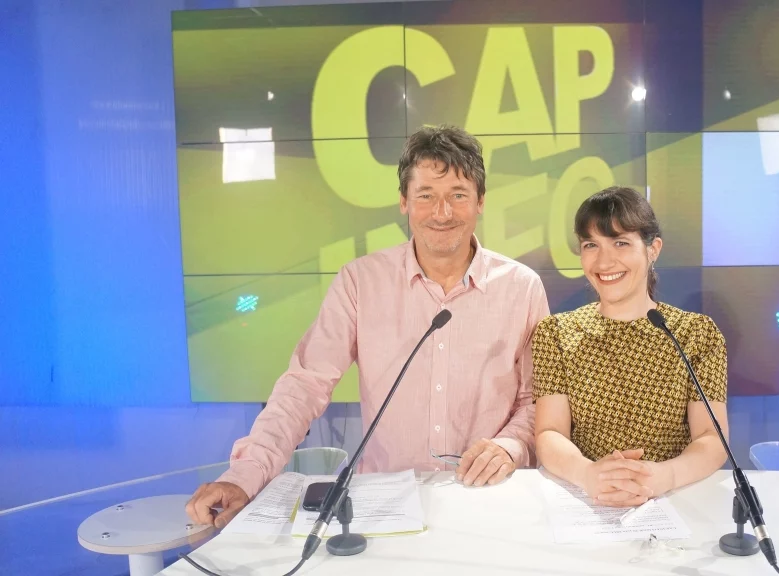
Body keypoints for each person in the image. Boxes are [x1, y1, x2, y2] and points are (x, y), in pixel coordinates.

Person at [186, 125, 550, 528]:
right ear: (403, 202)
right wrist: (245, 474)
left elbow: (538, 399)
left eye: (458, 195)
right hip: (384, 506)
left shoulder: (522, 287)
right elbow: (305, 385)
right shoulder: (360, 282)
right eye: (426, 195)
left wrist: (510, 444)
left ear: (480, 201)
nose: (442, 212)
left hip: (489, 500)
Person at [532, 186, 729, 508]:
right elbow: (550, 432)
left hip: (674, 502)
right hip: (587, 501)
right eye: (591, 245)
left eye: (621, 243)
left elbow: (712, 438)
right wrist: (588, 474)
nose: (604, 261)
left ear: (653, 249)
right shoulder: (555, 333)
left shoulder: (697, 334)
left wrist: (663, 476)